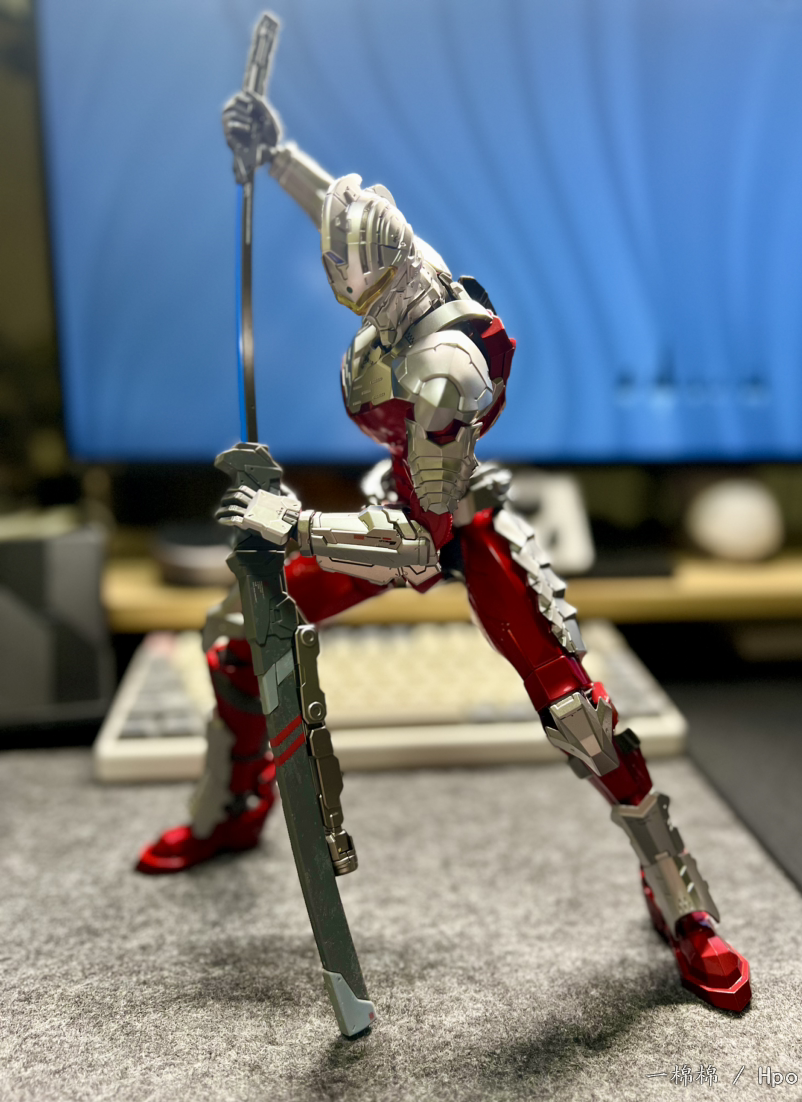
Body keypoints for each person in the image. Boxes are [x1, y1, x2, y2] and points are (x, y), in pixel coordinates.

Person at [137, 89, 751, 1013]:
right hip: (402, 503)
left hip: (453, 526)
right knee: (238, 637)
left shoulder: (443, 371)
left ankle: (681, 898)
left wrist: (293, 527)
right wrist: (276, 151)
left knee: (580, 714)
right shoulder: (404, 267)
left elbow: (416, 549)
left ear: (390, 277)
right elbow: (341, 209)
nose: (358, 301)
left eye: (367, 288)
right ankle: (233, 804)